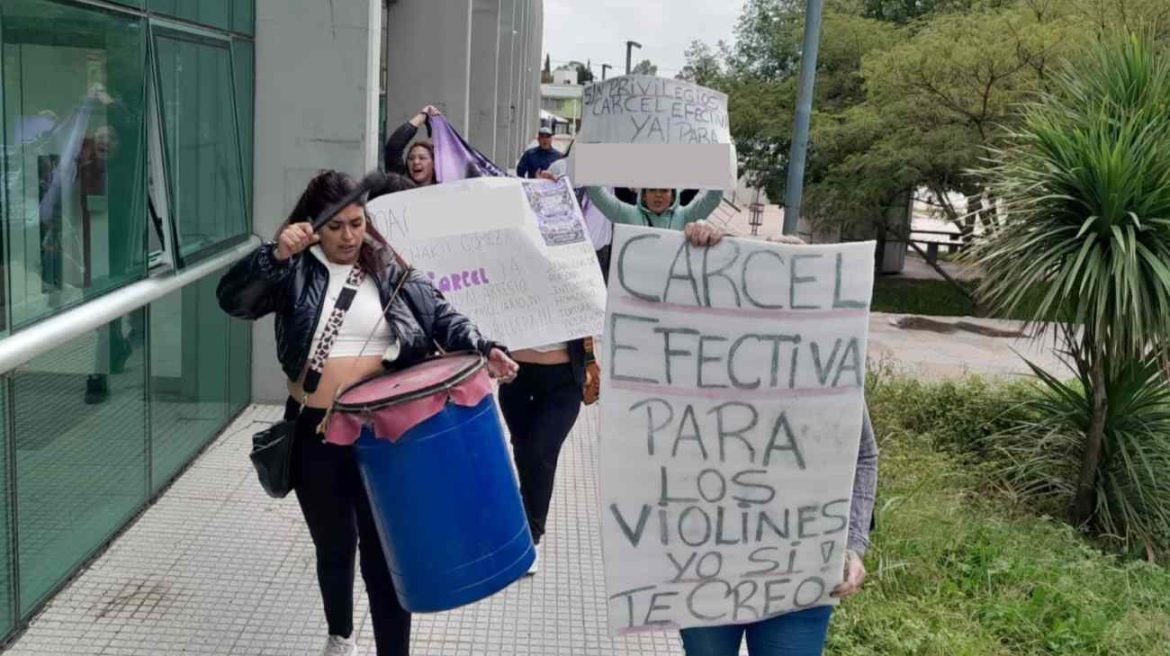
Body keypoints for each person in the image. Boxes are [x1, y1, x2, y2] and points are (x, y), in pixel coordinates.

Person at [217, 170, 519, 656]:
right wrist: (273, 256)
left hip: (384, 436)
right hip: (316, 432)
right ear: (312, 226)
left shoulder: (387, 267)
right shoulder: (292, 269)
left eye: (357, 224)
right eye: (335, 227)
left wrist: (486, 346)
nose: (349, 236)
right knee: (334, 546)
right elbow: (232, 300)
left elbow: (441, 314)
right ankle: (340, 636)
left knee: (385, 551)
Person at [677, 233, 879, 656]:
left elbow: (862, 454)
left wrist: (854, 543)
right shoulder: (704, 356)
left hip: (799, 570)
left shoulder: (831, 368)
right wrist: (697, 246)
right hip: (709, 565)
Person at [586, 184, 723, 231]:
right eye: (652, 190)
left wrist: (722, 159)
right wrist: (590, 152)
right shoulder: (628, 215)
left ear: (673, 195)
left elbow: (712, 199)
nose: (658, 195)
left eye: (664, 190)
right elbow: (597, 194)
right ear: (644, 195)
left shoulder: (685, 216)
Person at [383, 105, 440, 186]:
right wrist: (422, 116)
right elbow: (393, 147)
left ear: (434, 163)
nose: (416, 162)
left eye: (422, 158)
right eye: (411, 158)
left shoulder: (444, 187)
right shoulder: (401, 185)